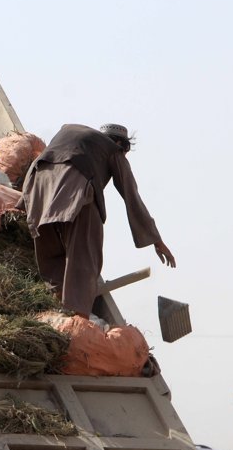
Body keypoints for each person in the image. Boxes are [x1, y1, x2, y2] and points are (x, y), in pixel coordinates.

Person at [19, 123, 175, 319]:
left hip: (38, 194)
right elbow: (131, 195)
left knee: (52, 259)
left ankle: (56, 309)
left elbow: (41, 165)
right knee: (85, 257)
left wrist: (20, 206)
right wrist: (156, 240)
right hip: (74, 193)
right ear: (120, 144)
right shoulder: (112, 149)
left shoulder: (69, 136)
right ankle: (78, 321)